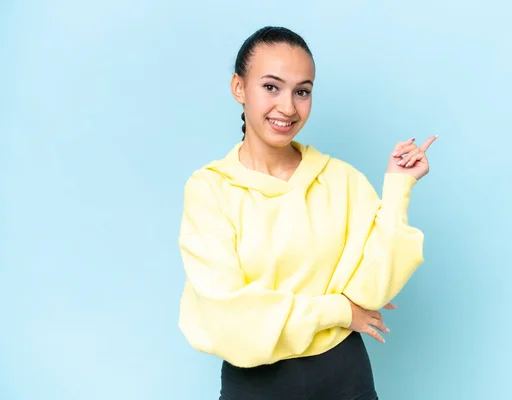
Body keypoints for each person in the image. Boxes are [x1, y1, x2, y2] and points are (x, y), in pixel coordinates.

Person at [177, 26, 437, 400]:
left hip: (346, 378)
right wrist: (339, 310)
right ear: (239, 88)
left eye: (302, 91)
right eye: (271, 87)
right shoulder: (210, 189)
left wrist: (398, 187)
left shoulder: (340, 179)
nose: (287, 107)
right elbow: (230, 317)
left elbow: (375, 287)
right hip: (256, 387)